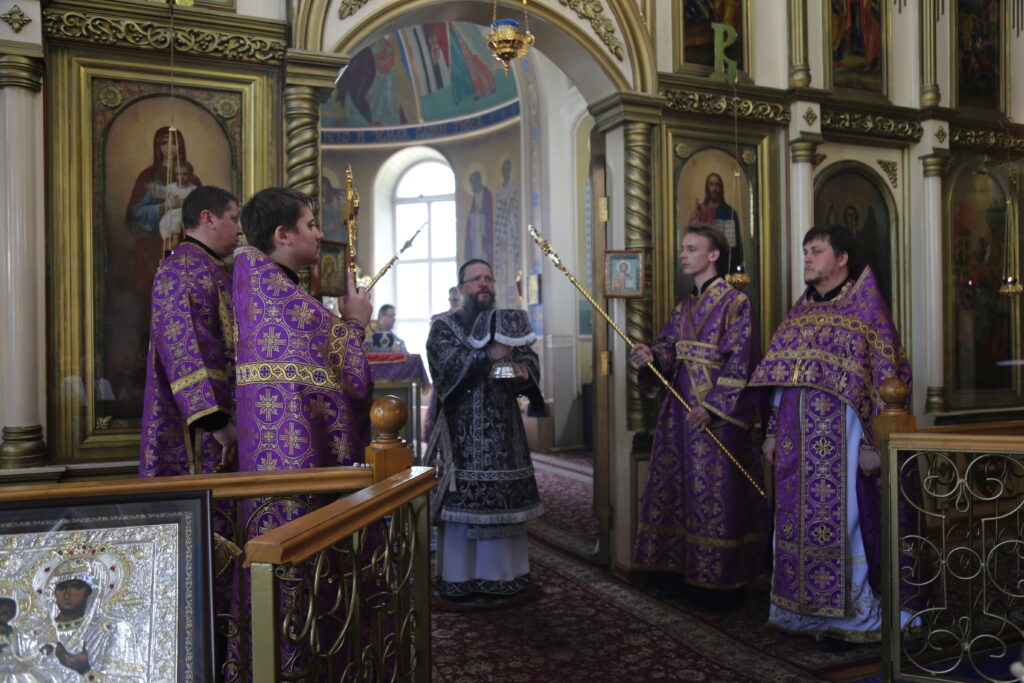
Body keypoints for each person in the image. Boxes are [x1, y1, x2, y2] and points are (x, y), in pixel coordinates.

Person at [748, 224, 912, 647]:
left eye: (816, 250)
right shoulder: (799, 312)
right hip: (793, 443)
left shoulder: (867, 310)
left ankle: (851, 616)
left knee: (847, 522)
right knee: (792, 524)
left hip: (843, 442)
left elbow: (888, 379)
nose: (806, 258)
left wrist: (876, 446)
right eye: (805, 250)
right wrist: (771, 432)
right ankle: (800, 613)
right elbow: (781, 378)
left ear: (841, 258)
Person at [233, 187, 373, 673]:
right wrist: (356, 322)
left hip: (267, 464)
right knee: (301, 569)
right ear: (283, 234)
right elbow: (355, 379)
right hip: (300, 467)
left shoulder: (258, 286)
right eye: (311, 224)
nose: (319, 233)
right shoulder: (288, 301)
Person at [630, 224, 768, 608]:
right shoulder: (684, 306)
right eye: (682, 248)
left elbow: (742, 362)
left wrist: (712, 408)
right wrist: (652, 355)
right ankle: (678, 572)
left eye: (692, 248)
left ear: (713, 255)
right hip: (678, 413)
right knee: (678, 490)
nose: (683, 254)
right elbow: (669, 347)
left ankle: (718, 582)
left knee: (714, 496)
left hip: (716, 420)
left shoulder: (736, 304)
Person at [426, 259, 543, 603]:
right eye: (476, 279)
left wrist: (521, 372)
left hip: (505, 437)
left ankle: (504, 577)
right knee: (462, 507)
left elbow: (526, 362)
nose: (483, 284)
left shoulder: (506, 323)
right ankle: (459, 579)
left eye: (488, 278)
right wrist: (490, 356)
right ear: (462, 287)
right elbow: (446, 370)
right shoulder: (445, 326)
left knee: (504, 503)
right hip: (461, 438)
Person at [139, 185, 241, 478]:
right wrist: (216, 423)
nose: (240, 229)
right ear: (208, 219)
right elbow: (183, 348)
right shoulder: (183, 268)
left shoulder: (211, 266)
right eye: (234, 219)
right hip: (199, 429)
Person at [36, 550, 141, 680]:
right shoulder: (39, 632)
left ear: (92, 592)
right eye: (61, 588)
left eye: (76, 587)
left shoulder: (113, 630)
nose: (67, 595)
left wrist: (86, 670)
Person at [688, 172, 743, 274]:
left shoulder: (729, 212)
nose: (714, 188)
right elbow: (692, 237)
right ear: (707, 187)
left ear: (721, 188)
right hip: (704, 263)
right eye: (711, 184)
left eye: (717, 185)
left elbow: (736, 246)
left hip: (724, 264)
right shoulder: (700, 211)